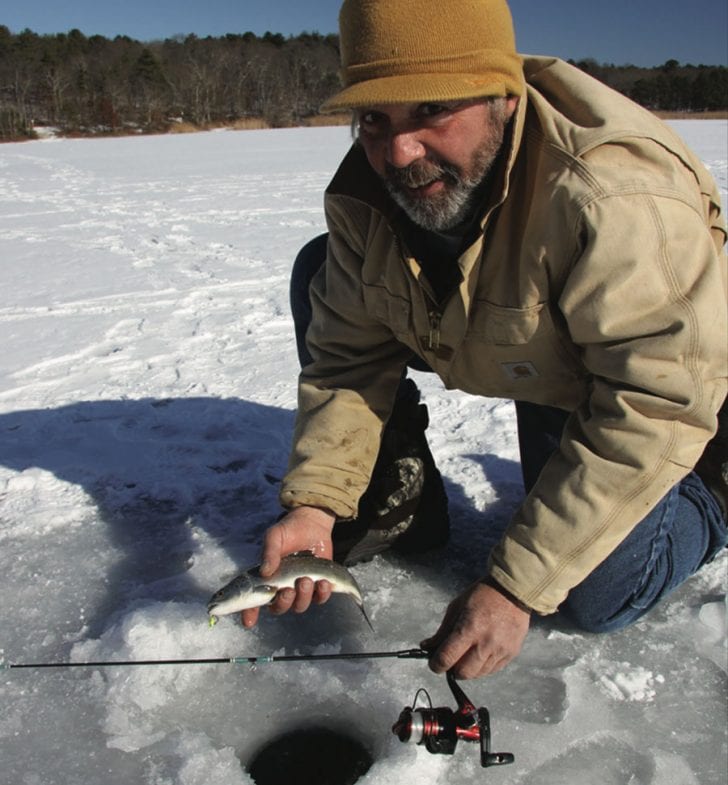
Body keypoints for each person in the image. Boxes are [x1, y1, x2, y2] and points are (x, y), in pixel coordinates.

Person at [242, 0, 728, 680]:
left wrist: (515, 588)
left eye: (430, 109)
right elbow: (350, 355)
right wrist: (316, 501)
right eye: (374, 119)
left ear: (503, 93)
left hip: (641, 377)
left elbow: (652, 400)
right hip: (525, 347)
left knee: (592, 593)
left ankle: (714, 491)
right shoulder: (364, 196)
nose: (399, 152)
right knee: (319, 272)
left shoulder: (614, 195)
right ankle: (396, 490)